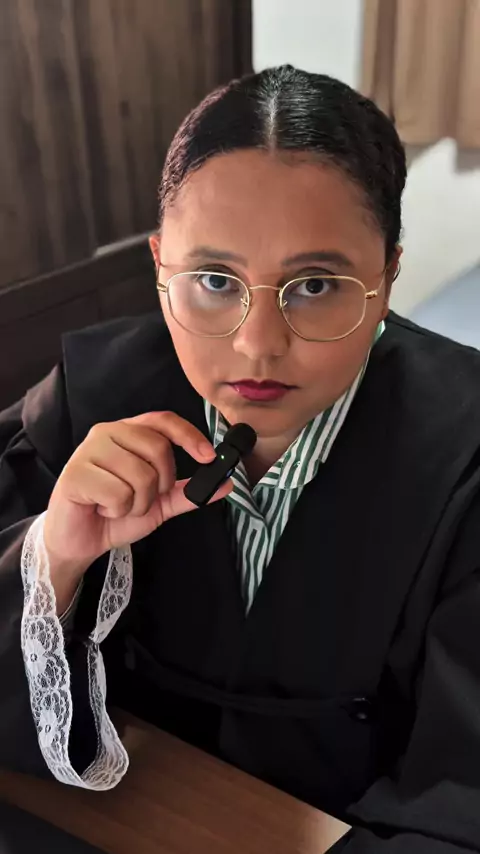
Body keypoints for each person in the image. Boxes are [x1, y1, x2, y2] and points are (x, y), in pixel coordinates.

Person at [1, 64, 480, 853]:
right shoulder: (93, 395)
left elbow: (460, 804)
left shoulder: (465, 460)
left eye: (316, 285)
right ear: (160, 264)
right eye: (214, 280)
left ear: (388, 275)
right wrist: (56, 556)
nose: (257, 346)